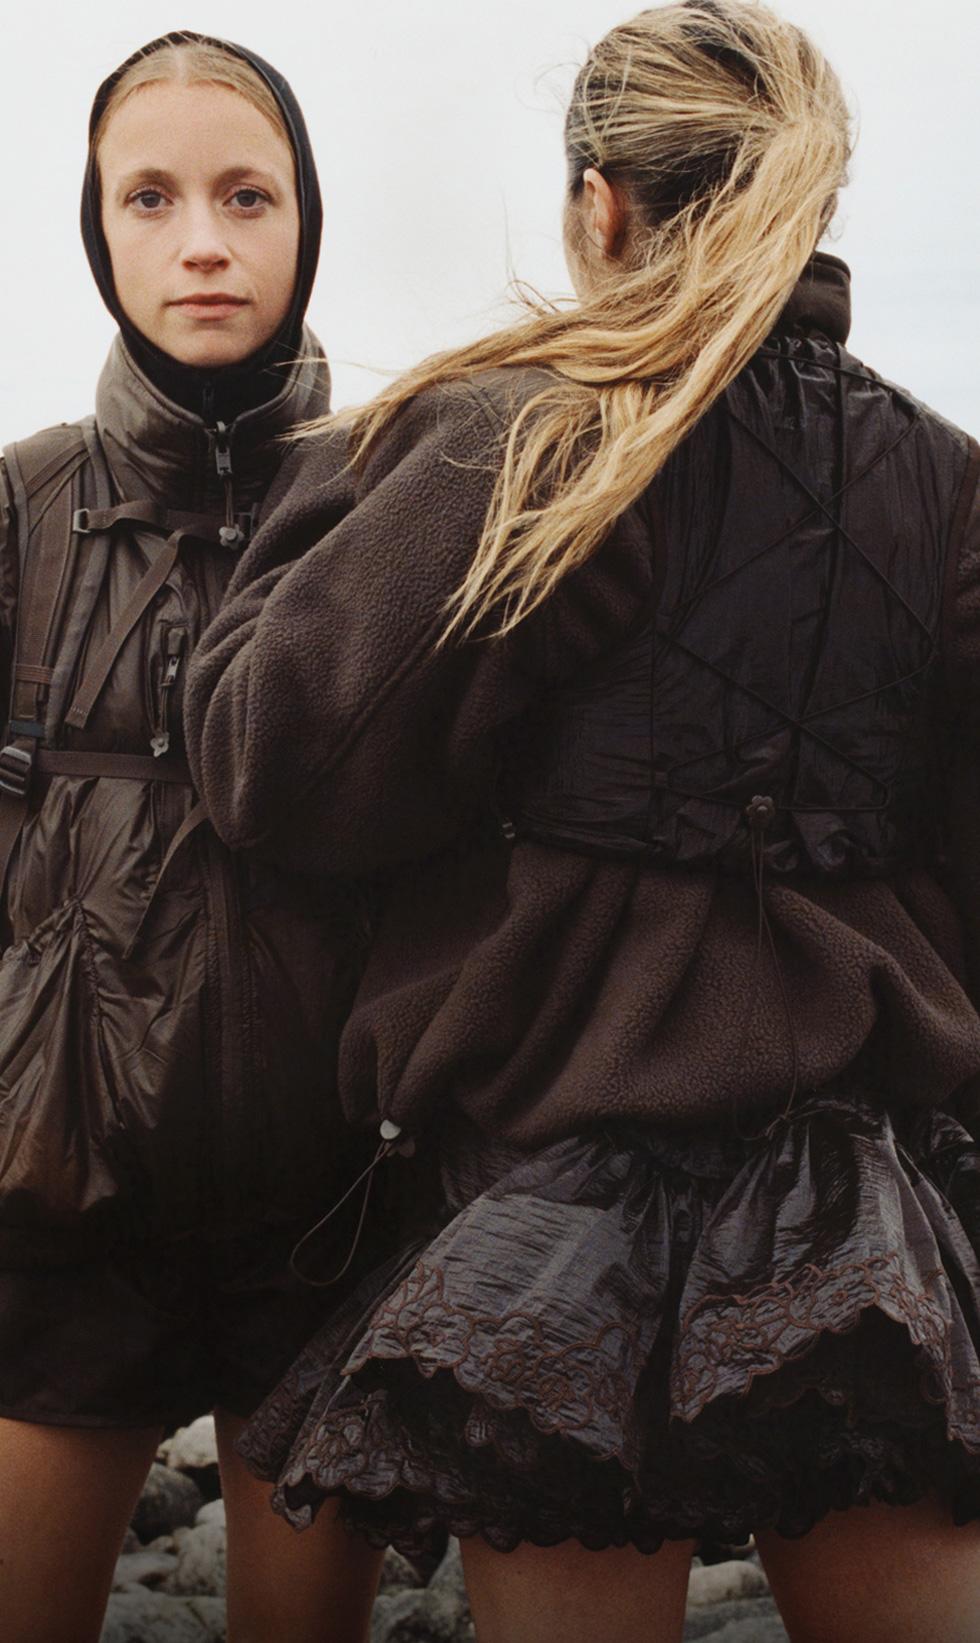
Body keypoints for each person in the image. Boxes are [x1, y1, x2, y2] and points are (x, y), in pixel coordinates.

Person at [185, 3, 980, 1639]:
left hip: (557, 1200)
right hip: (866, 1190)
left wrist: (326, 504)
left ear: (599, 208)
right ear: (813, 201)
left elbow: (272, 765)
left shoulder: (519, 431)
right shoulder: (947, 478)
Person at [0, 32, 384, 1643]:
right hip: (60, 1213)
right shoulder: (21, 506)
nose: (203, 242)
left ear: (308, 217)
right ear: (97, 231)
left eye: (248, 195)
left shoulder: (391, 496)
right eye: (149, 199)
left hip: (332, 1220)